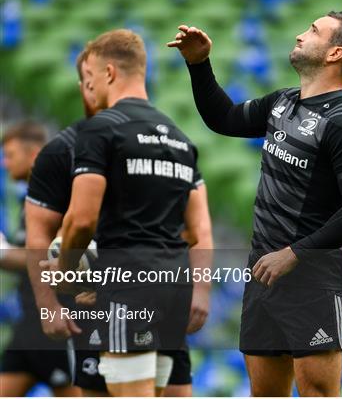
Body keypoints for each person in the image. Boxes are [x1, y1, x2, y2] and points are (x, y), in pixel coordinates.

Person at [167, 11, 342, 396]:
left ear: (334, 53)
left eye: (312, 31)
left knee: (317, 392)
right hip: (263, 274)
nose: (300, 35)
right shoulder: (283, 102)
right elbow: (225, 118)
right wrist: (199, 65)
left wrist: (295, 253)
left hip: (311, 279)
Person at [26, 48, 212, 396]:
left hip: (123, 290)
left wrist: (68, 277)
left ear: (108, 73)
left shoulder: (96, 134)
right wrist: (199, 289)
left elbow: (81, 221)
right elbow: (195, 229)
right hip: (170, 285)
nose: (86, 89)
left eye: (89, 79)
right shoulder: (178, 138)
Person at [0, 121, 79, 397]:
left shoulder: (60, 196)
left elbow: (57, 260)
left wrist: (5, 254)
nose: (5, 164)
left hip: (61, 324)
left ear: (34, 154)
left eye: (10, 155)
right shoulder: (28, 203)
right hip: (29, 326)